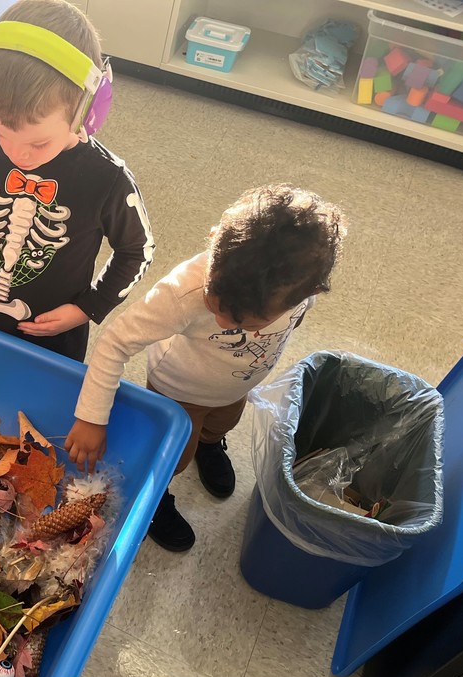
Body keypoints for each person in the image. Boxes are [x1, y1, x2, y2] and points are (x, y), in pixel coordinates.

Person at [66, 184, 346, 551]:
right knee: (174, 458)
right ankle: (155, 499)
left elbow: (294, 320)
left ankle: (210, 445)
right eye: (215, 304)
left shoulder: (297, 289)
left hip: (236, 386)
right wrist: (91, 417)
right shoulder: (183, 291)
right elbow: (115, 342)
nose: (219, 316)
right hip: (179, 389)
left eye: (242, 320)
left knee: (222, 422)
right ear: (214, 241)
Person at [0, 0, 154, 362]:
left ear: (87, 112)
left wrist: (86, 309)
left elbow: (138, 251)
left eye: (38, 142)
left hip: (57, 337)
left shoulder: (107, 179)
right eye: (1, 130)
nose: (17, 155)